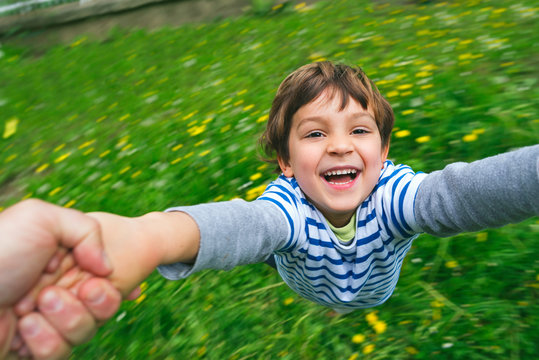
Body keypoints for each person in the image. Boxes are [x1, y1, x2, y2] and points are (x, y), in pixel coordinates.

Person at [5, 61, 539, 357]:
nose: (339, 146)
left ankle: (341, 300)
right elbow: (245, 223)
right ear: (285, 161)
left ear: (382, 153)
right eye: (314, 134)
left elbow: (463, 193)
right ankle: (321, 291)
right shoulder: (284, 205)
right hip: (302, 274)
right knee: (269, 238)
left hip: (378, 284)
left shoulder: (395, 195)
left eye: (359, 131)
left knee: (346, 282)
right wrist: (147, 238)